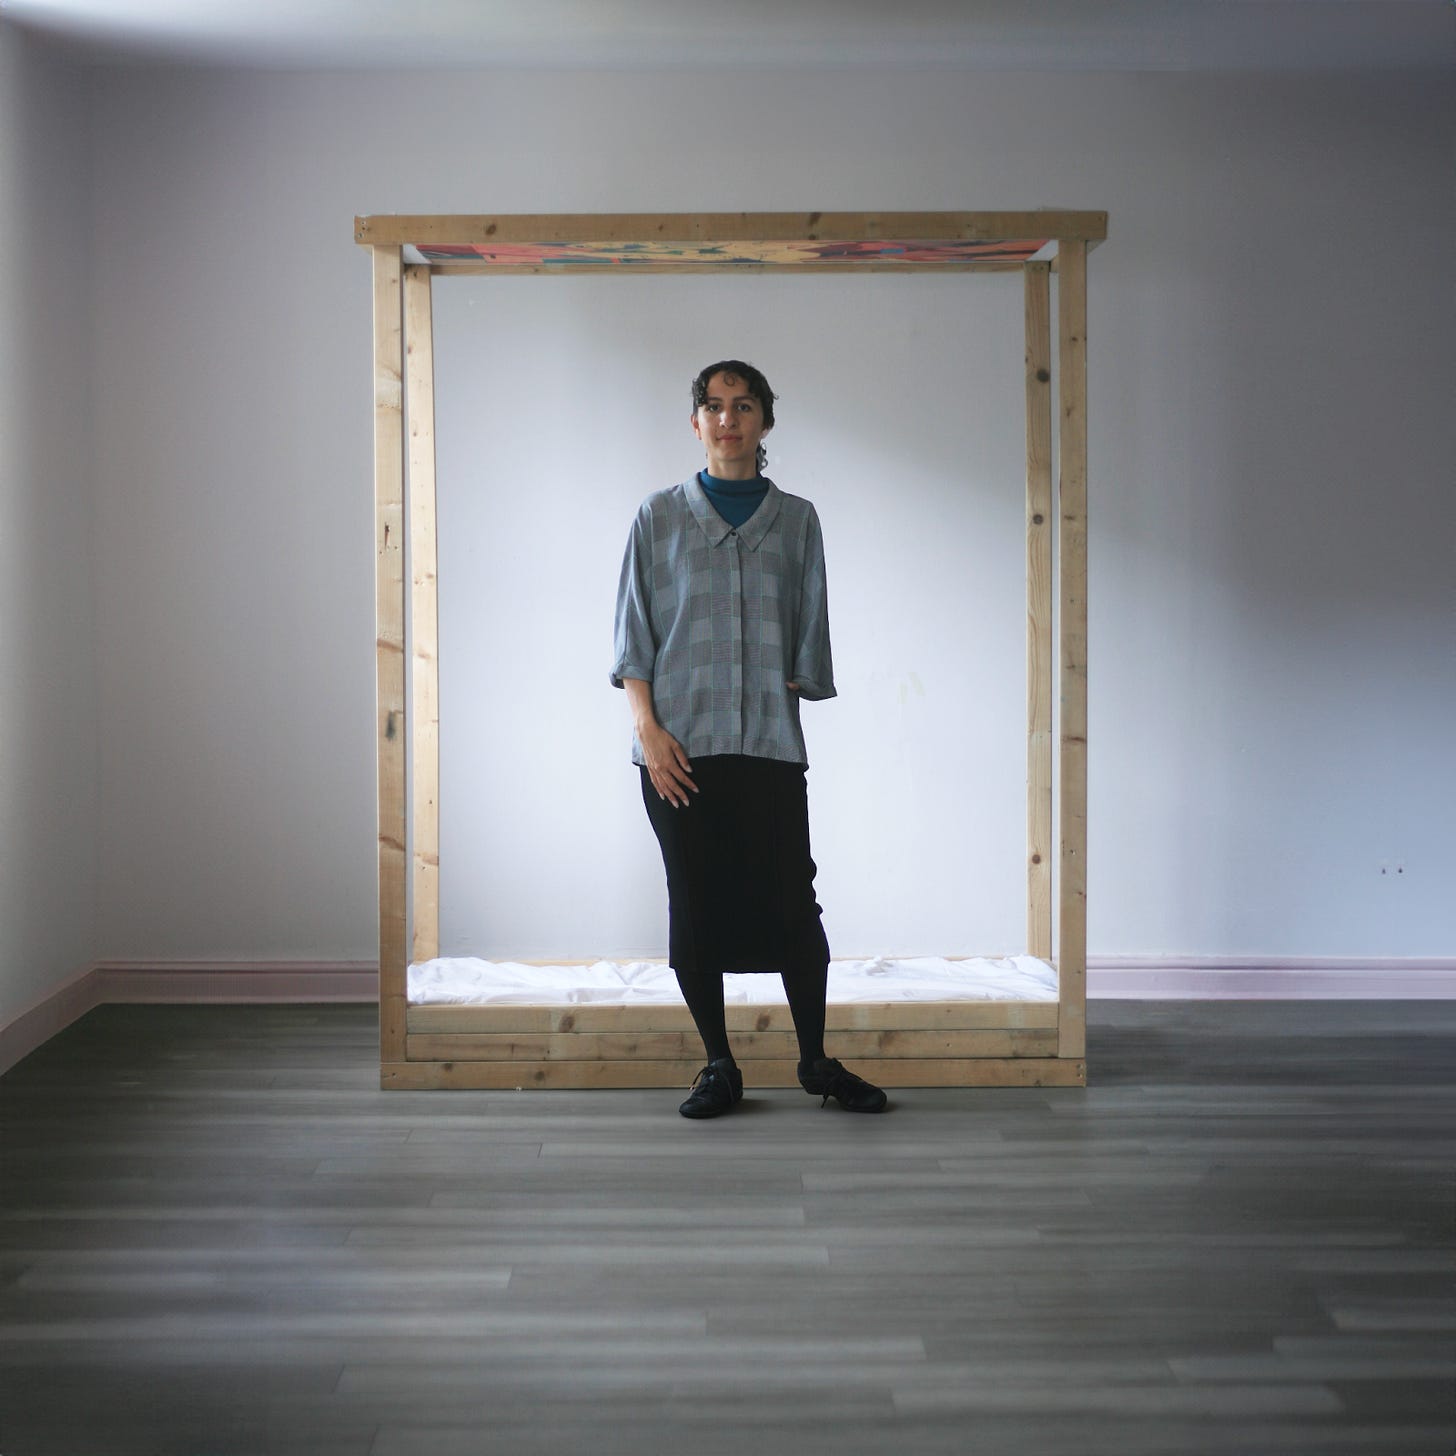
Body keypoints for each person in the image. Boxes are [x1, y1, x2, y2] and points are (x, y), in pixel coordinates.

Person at [611, 360, 888, 1119]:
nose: (728, 419)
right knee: (693, 906)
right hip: (678, 752)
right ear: (695, 421)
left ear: (766, 420)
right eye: (713, 406)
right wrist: (648, 732)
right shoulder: (657, 517)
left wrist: (797, 673)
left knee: (794, 905)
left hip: (767, 743)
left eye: (743, 406)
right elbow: (633, 636)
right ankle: (719, 1066)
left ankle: (814, 1061)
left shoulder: (796, 521)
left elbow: (809, 625)